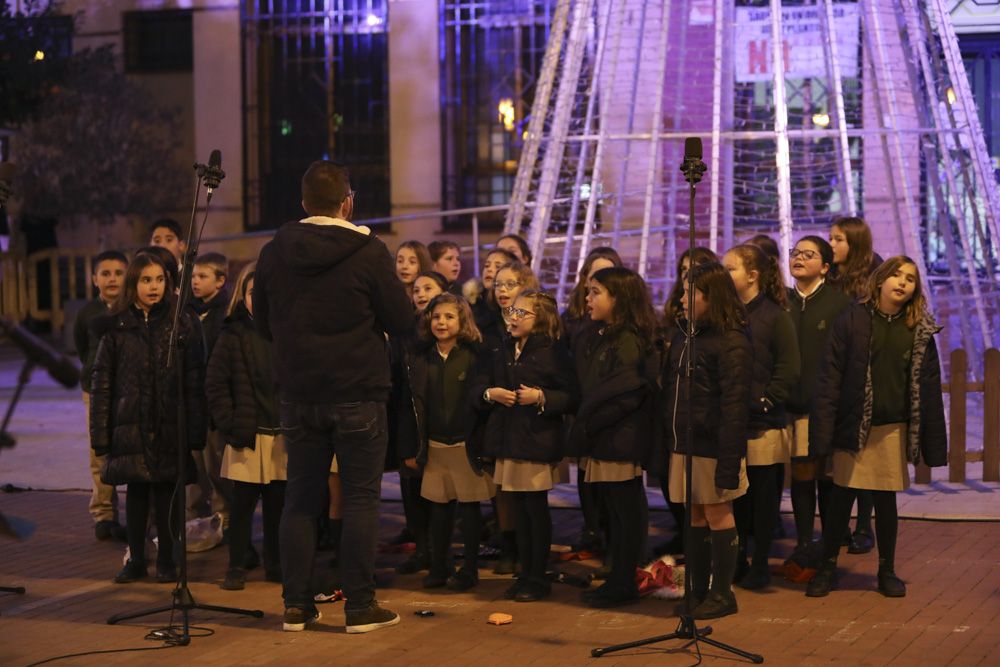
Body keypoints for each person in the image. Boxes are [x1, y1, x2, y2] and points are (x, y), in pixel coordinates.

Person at [254, 160, 412, 633]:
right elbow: (403, 320)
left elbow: (263, 323)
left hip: (299, 393)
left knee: (300, 499)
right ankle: (360, 607)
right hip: (358, 392)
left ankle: (297, 605)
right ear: (348, 201)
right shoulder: (368, 251)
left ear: (303, 203)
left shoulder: (273, 252)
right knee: (362, 500)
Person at [806, 257, 947, 597]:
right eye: (896, 275)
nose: (902, 282)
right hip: (854, 425)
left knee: (885, 502)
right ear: (880, 280)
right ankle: (826, 567)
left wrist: (934, 443)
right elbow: (830, 378)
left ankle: (886, 570)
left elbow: (929, 387)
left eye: (910, 278)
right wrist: (823, 432)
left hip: (891, 428)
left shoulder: (919, 327)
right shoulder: (852, 319)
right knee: (840, 499)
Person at [90, 252, 206, 584]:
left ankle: (168, 559)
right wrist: (100, 436)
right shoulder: (116, 326)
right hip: (131, 424)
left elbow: (195, 378)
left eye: (158, 280)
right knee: (137, 493)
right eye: (145, 280)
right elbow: (102, 384)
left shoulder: (181, 322)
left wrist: (195, 430)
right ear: (134, 284)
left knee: (167, 493)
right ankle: (137, 558)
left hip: (169, 422)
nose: (153, 287)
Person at [662, 261, 752, 620]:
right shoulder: (685, 334)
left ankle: (722, 593)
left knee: (717, 512)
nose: (681, 298)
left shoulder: (731, 340)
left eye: (689, 292)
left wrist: (729, 463)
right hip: (685, 441)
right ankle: (697, 590)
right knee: (694, 514)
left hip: (713, 444)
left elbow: (734, 406)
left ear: (710, 297)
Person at [476, 291, 578, 601]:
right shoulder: (503, 349)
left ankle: (537, 576)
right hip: (508, 440)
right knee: (517, 511)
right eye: (512, 311)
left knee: (535, 511)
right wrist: (490, 393)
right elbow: (480, 385)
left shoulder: (553, 352)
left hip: (534, 440)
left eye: (522, 313)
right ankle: (525, 572)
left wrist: (541, 397)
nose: (513, 317)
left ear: (541, 319)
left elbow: (571, 395)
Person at [571, 267, 658, 608]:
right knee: (612, 511)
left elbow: (628, 392)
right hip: (603, 436)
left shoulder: (627, 339)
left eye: (596, 292)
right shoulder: (598, 333)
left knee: (624, 512)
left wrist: (592, 423)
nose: (588, 298)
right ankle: (619, 577)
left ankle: (624, 580)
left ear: (618, 298)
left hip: (620, 438)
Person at [404, 293, 494, 590]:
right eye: (437, 317)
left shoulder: (474, 354)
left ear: (463, 320)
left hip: (464, 444)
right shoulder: (420, 356)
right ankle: (440, 567)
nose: (441, 322)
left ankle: (469, 569)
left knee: (469, 510)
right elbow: (412, 404)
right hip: (435, 444)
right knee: (439, 511)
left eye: (449, 317)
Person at [722, 244, 799, 590]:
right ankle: (736, 559)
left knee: (765, 498)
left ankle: (762, 562)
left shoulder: (774, 315)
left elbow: (789, 365)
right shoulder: (726, 314)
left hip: (763, 422)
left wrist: (767, 400)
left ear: (752, 276)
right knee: (735, 496)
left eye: (730, 270)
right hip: (732, 421)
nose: (724, 276)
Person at [206, 262, 286, 590]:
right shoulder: (233, 333)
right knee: (242, 507)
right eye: (255, 292)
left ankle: (276, 564)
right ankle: (236, 565)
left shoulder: (285, 331)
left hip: (281, 435)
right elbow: (215, 383)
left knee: (277, 507)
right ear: (243, 295)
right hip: (247, 435)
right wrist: (230, 422)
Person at [784, 237, 852, 580]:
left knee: (827, 475)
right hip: (789, 406)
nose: (799, 259)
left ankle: (829, 546)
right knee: (801, 473)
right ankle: (803, 542)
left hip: (826, 404)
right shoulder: (782, 302)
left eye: (808, 255)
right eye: (795, 253)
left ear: (825, 266)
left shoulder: (840, 304)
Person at [560, 246, 621, 558]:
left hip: (611, 416)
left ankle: (615, 541)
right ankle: (592, 527)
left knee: (612, 480)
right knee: (585, 472)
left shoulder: (625, 328)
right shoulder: (572, 317)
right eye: (592, 276)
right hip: (580, 406)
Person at [829, 216, 884, 554]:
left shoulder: (872, 274)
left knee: (865, 453)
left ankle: (865, 525)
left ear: (854, 242)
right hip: (838, 370)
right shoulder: (833, 275)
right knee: (843, 455)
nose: (831, 245)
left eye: (837, 239)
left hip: (864, 372)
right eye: (831, 239)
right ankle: (841, 526)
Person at [483, 259, 540, 573]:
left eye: (510, 284)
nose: (502, 290)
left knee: (528, 492)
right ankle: (510, 546)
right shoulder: (489, 326)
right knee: (501, 488)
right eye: (498, 284)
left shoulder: (539, 325)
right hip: (498, 418)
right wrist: (489, 392)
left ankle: (531, 554)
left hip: (529, 420)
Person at [74, 250, 128, 542]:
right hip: (94, 392)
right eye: (105, 273)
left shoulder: (131, 310)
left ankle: (140, 514)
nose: (112, 279)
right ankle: (104, 514)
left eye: (118, 273)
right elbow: (82, 347)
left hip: (126, 390)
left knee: (128, 450)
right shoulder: (87, 313)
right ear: (94, 279)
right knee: (100, 453)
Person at [187, 251, 233, 530]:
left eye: (202, 276)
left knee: (217, 466)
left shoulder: (225, 314)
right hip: (193, 403)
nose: (195, 282)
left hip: (214, 405)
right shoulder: (188, 311)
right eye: (193, 276)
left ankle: (223, 518)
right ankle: (193, 519)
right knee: (194, 469)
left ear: (220, 281)